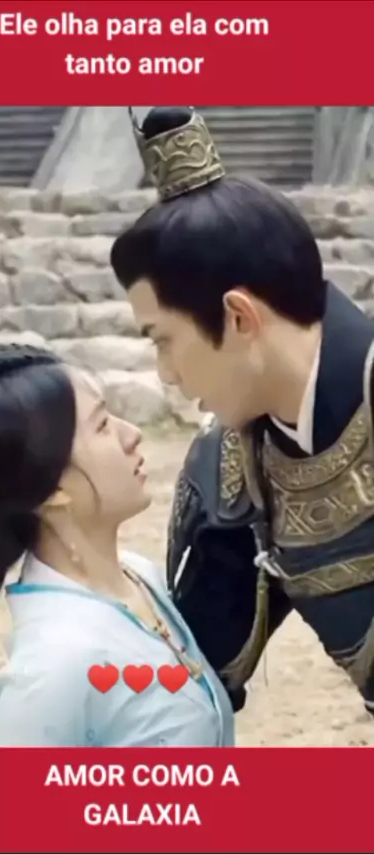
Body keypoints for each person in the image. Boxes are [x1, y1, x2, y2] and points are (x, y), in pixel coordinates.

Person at [110, 105, 374, 719]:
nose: (166, 373)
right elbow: (193, 680)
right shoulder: (230, 462)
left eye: (163, 339)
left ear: (238, 317)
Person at [0, 343, 234, 747]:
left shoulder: (138, 574)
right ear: (52, 487)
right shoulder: (53, 666)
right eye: (102, 425)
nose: (133, 434)